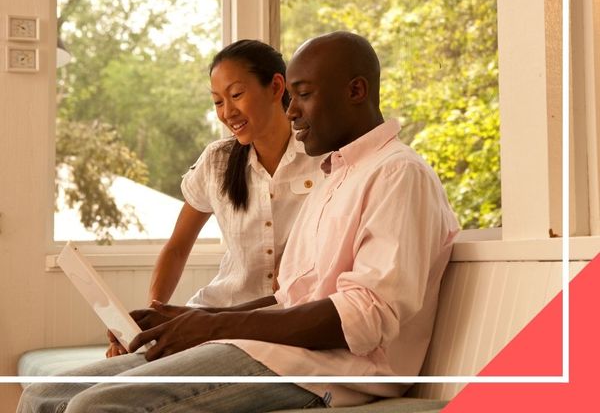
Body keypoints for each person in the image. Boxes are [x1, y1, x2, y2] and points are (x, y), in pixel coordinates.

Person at [18, 31, 459, 412]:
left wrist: (213, 325)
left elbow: (364, 319)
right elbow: (289, 297)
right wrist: (187, 319)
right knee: (47, 393)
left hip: (333, 368)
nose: (292, 111)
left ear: (356, 91)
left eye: (303, 96)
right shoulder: (336, 174)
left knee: (96, 406)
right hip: (275, 349)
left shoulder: (399, 173)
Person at [107, 39, 326, 356]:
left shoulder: (324, 157)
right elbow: (178, 247)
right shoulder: (217, 161)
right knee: (100, 379)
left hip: (280, 326)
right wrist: (156, 315)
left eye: (236, 95)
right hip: (214, 314)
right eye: (217, 102)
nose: (227, 112)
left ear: (276, 87)